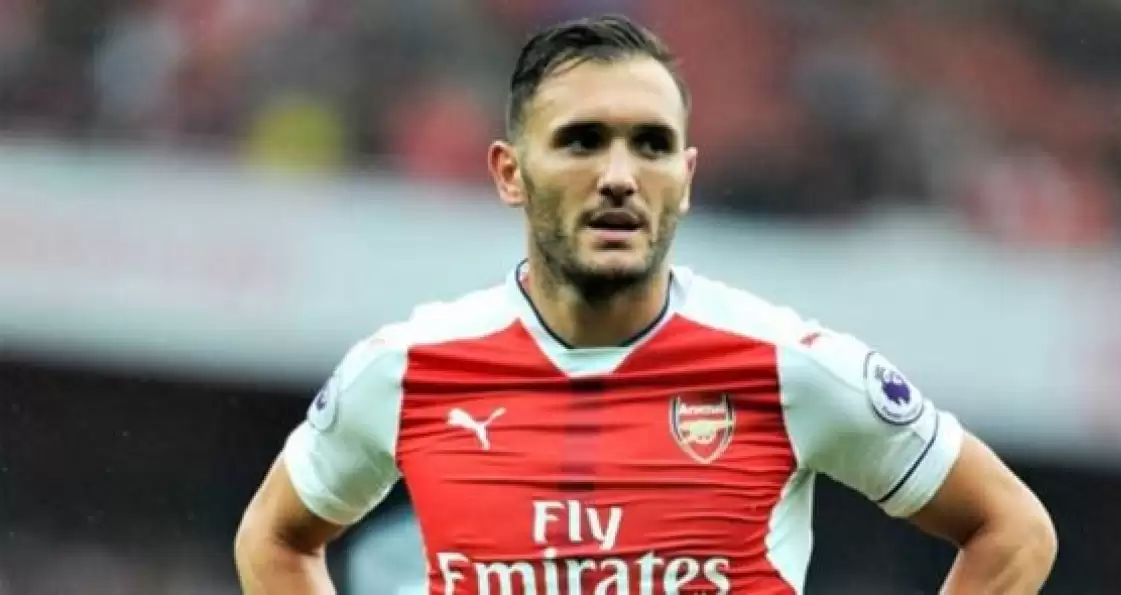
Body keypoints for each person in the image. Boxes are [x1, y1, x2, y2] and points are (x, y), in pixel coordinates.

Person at [234, 14, 1057, 594]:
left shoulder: (788, 366)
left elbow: (1012, 529)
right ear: (510, 172)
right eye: (583, 140)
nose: (621, 175)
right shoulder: (406, 369)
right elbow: (273, 538)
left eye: (652, 144)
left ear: (686, 179)